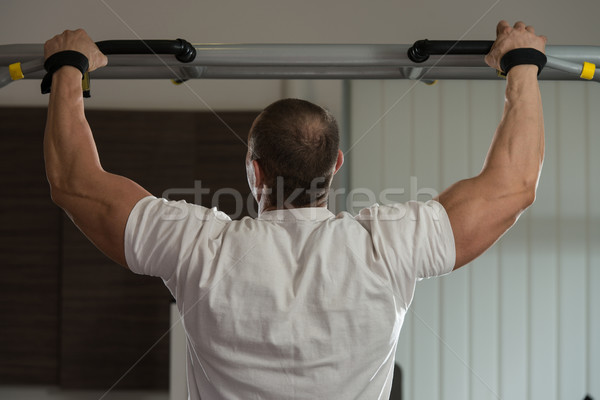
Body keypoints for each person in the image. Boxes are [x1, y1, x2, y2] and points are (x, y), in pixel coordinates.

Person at [43, 20, 546, 399]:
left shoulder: (200, 247)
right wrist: (521, 63)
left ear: (255, 172)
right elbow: (514, 186)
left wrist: (68, 69)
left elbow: (75, 183)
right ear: (337, 165)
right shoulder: (386, 246)